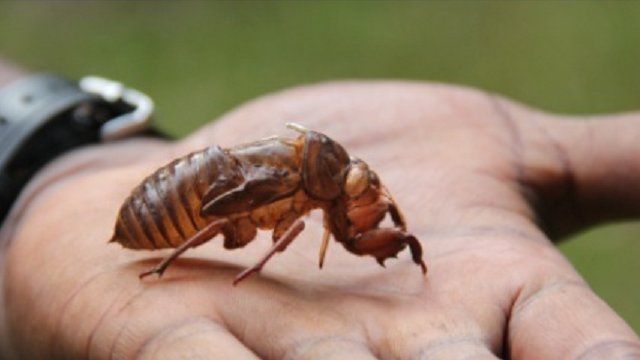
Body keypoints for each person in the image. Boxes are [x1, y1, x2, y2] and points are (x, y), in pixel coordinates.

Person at [0, 60, 638, 360]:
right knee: (221, 215)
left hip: (183, 188)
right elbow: (243, 224)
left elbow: (327, 228)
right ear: (333, 178)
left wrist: (55, 168)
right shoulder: (303, 190)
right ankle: (170, 258)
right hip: (168, 210)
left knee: (224, 212)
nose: (367, 197)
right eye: (361, 187)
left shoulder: (315, 185)